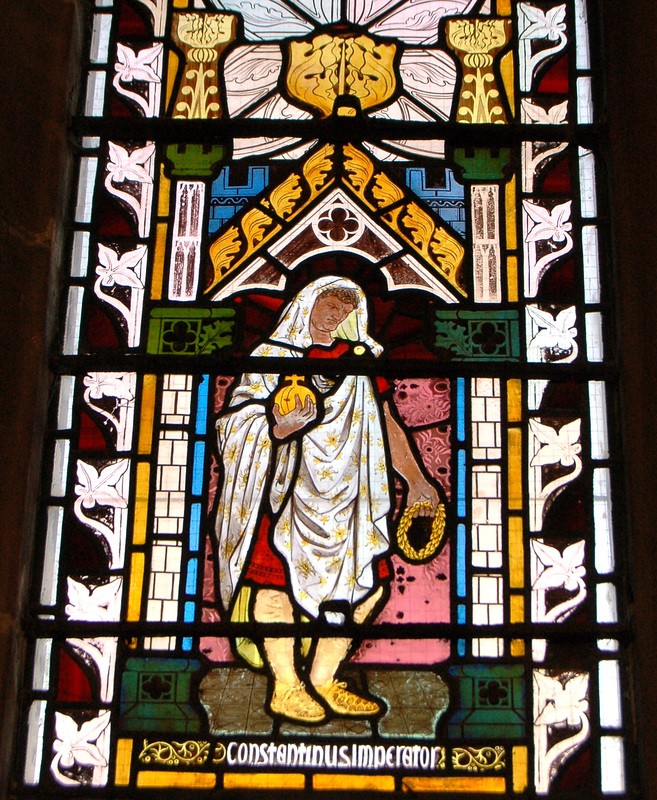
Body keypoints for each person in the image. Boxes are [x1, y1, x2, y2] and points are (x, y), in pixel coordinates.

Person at [214, 276, 439, 723]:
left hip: (354, 494)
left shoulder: (362, 360)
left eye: (344, 308)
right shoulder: (272, 359)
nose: (335, 315)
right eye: (328, 305)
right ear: (305, 305)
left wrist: (417, 481)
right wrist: (276, 431)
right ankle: (285, 686)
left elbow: (385, 423)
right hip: (290, 491)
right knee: (273, 582)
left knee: (367, 587)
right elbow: (235, 423)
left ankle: (323, 679)